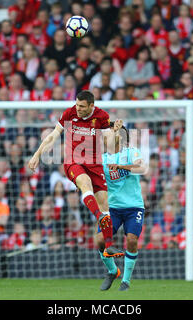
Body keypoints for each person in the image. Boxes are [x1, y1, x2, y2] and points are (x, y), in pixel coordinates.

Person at [27, 90, 124, 259]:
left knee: (105, 204)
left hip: (95, 164)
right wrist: (37, 155)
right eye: (77, 104)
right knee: (85, 182)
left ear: (91, 106)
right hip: (73, 161)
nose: (77, 108)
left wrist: (115, 133)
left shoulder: (102, 116)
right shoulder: (69, 113)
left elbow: (112, 147)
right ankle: (98, 216)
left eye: (82, 106)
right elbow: (52, 136)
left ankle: (108, 246)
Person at [95, 124, 147, 292]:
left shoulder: (132, 153)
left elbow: (143, 169)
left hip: (134, 206)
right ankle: (112, 271)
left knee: (132, 240)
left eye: (109, 133)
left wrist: (122, 167)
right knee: (100, 240)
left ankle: (125, 281)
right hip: (112, 208)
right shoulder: (101, 158)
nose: (105, 136)